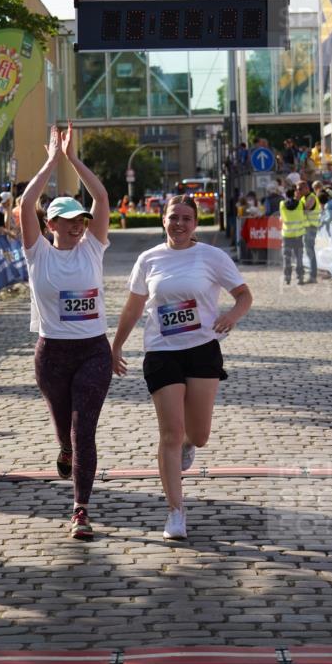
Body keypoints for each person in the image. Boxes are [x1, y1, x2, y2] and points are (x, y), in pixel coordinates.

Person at [111, 195, 252, 541]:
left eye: (187, 218)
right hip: (161, 351)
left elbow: (244, 295)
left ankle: (190, 442)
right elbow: (133, 309)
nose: (179, 224)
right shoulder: (149, 259)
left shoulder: (212, 256)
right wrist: (114, 346)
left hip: (203, 349)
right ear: (163, 220)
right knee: (169, 433)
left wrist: (230, 317)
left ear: (196, 224)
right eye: (174, 217)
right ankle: (176, 511)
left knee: (198, 435)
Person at [21, 124, 112, 541]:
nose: (78, 226)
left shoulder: (93, 246)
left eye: (82, 221)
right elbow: (25, 203)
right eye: (69, 221)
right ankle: (63, 450)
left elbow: (102, 198)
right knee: (65, 432)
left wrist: (72, 159)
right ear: (51, 223)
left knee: (84, 430)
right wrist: (50, 161)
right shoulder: (37, 252)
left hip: (94, 350)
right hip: (52, 354)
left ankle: (81, 509)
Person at [279, 187, 306, 285]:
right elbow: (303, 216)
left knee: (287, 257)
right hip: (298, 234)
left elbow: (281, 218)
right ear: (294, 193)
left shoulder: (282, 204)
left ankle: (287, 277)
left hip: (286, 234)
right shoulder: (300, 204)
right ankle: (300, 277)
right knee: (299, 256)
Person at [297, 180, 321, 282]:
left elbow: (305, 209)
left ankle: (313, 276)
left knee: (310, 251)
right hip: (305, 227)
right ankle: (312, 274)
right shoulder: (303, 198)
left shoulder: (311, 197)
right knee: (308, 251)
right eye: (297, 189)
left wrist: (297, 201)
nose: (298, 191)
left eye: (300, 189)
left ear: (306, 188)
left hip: (311, 227)